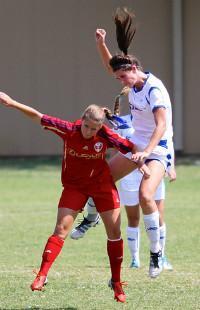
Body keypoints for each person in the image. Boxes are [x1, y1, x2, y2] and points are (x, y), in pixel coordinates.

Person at [0, 91, 151, 303]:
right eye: (87, 126)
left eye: (94, 128)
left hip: (101, 185)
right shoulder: (69, 129)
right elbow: (37, 116)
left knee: (114, 231)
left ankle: (116, 282)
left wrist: (142, 163)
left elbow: (130, 147)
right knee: (61, 229)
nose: (89, 131)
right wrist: (12, 103)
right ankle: (42, 275)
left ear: (100, 127)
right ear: (82, 120)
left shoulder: (105, 135)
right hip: (75, 187)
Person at [73, 7, 174, 279]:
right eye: (117, 78)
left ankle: (156, 254)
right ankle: (91, 218)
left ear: (133, 69)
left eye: (122, 77)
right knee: (101, 179)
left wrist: (147, 153)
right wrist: (101, 44)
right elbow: (110, 66)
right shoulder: (131, 80)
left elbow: (162, 126)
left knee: (145, 195)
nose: (120, 82)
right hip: (137, 144)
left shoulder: (154, 89)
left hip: (158, 147)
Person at [71, 111, 176, 271]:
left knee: (158, 216)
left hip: (154, 169)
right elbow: (115, 144)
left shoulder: (161, 121)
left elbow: (169, 143)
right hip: (130, 175)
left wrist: (171, 166)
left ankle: (160, 256)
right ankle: (135, 259)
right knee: (132, 218)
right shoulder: (122, 121)